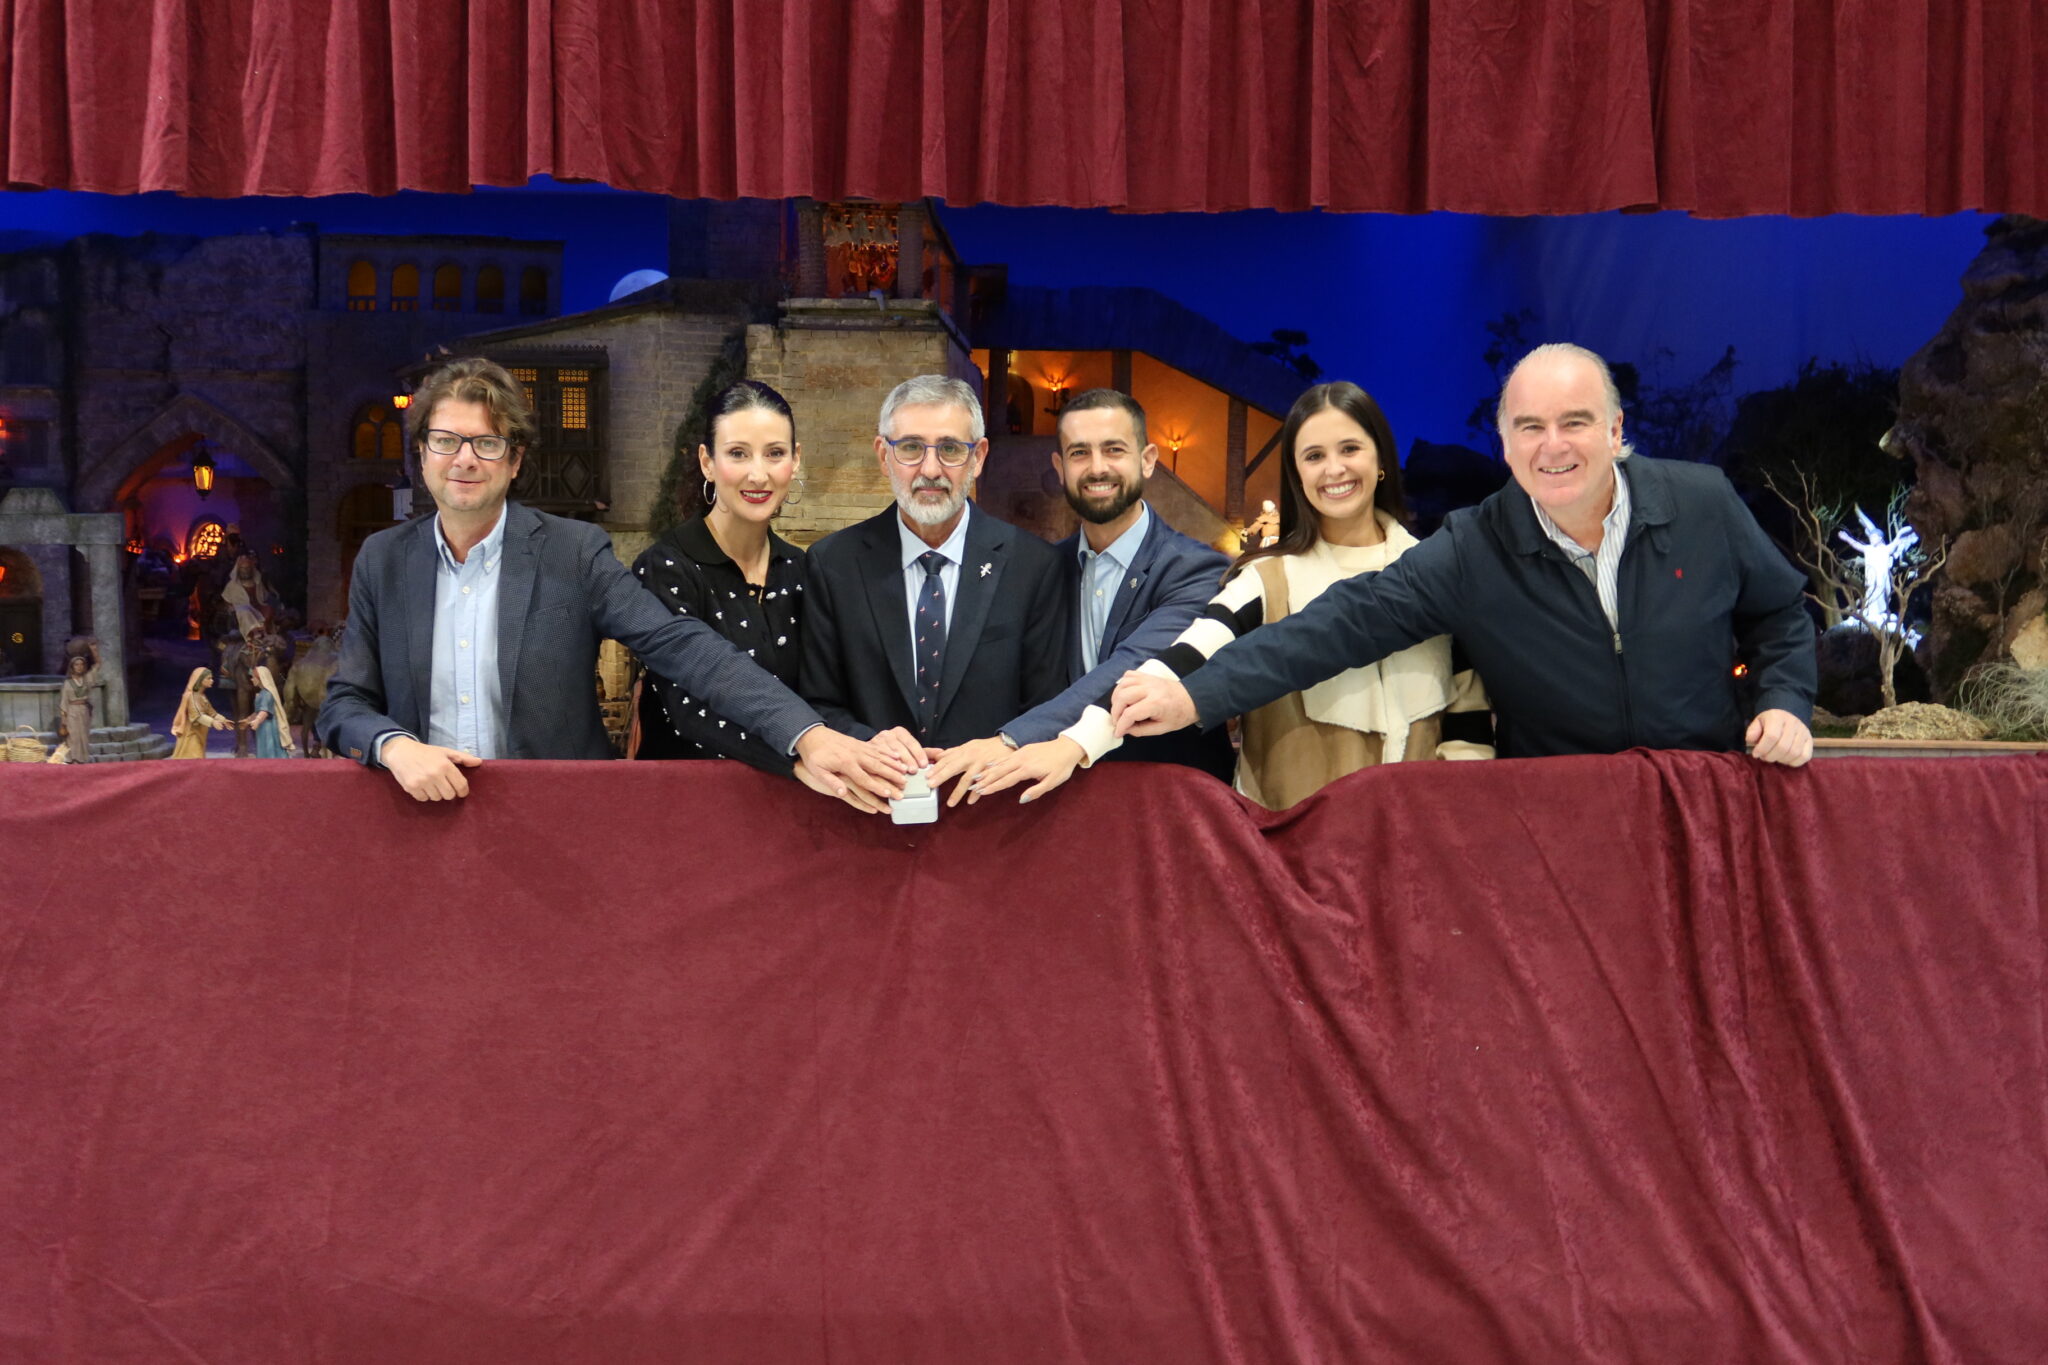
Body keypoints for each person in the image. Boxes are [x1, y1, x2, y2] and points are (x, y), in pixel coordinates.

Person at [1111, 343, 1818, 766]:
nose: (1553, 446)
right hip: (1562, 815)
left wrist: (1785, 703)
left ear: (1614, 430)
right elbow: (1340, 623)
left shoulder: (1702, 503)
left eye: (1575, 422)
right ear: (1504, 443)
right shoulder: (1474, 546)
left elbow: (1781, 612)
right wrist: (1195, 694)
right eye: (1530, 427)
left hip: (1702, 793)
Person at [318, 356, 909, 807]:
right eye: (446, 441)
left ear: (515, 460)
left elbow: (682, 645)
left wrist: (805, 734)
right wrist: (393, 746)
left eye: (487, 443)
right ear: (422, 454)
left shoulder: (573, 553)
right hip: (424, 818)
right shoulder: (381, 560)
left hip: (558, 828)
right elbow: (346, 702)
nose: (465, 459)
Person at [972, 381, 1492, 809]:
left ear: (1381, 459)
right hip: (1293, 846)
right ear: (1296, 473)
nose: (1334, 469)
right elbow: (1175, 663)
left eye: (1350, 449)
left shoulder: (1436, 573)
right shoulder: (1264, 580)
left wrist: (1450, 821)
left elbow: (1469, 721)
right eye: (1314, 455)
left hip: (1416, 840)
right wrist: (1076, 741)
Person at [924, 388, 1235, 805]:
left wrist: (1011, 740)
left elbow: (1134, 671)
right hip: (1062, 804)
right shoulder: (1043, 567)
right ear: (1060, 467)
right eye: (1079, 453)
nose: (1097, 467)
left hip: (1173, 801)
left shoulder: (1196, 570)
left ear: (1147, 460)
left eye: (1114, 449)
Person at [798, 374, 1071, 767]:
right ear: (883, 455)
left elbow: (1048, 706)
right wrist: (869, 744)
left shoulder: (1034, 566)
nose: (930, 469)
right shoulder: (833, 564)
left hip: (991, 794)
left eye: (950, 449)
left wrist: (1004, 745)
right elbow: (819, 702)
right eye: (910, 447)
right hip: (875, 793)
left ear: (978, 457)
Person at [631, 381, 808, 775]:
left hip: (792, 799)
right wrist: (806, 754)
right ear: (707, 462)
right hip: (687, 796)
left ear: (795, 460)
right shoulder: (664, 569)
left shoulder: (802, 570)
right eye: (738, 454)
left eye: (775, 453)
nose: (758, 474)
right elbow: (690, 712)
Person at [169, 667, 232, 758]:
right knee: (193, 757)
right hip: (191, 734)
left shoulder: (202, 696)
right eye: (209, 678)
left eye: (211, 678)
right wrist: (212, 722)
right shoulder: (192, 697)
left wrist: (224, 720)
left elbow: (212, 713)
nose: (212, 681)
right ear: (200, 680)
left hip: (200, 733)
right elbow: (197, 715)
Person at [56, 641, 101, 763]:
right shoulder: (67, 683)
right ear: (72, 667)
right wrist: (63, 721)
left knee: (84, 735)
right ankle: (73, 758)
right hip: (72, 711)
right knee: (73, 736)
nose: (79, 667)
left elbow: (97, 665)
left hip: (84, 711)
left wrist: (94, 650)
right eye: (76, 665)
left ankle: (83, 758)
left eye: (81, 664)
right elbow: (64, 703)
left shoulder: (87, 679)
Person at [243, 663, 295, 758]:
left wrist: (257, 721)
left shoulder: (267, 694)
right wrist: (248, 719)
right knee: (263, 746)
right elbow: (258, 711)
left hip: (268, 727)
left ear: (260, 678)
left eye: (253, 677)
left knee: (269, 746)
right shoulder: (262, 693)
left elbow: (264, 712)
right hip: (263, 726)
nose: (252, 679)